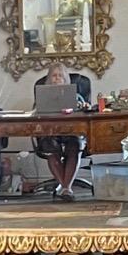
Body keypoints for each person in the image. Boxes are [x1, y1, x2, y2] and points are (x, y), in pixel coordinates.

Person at [33, 60, 93, 200]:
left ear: (66, 78)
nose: (57, 78)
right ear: (49, 78)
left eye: (60, 75)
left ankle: (66, 188)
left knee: (75, 145)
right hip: (50, 133)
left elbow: (85, 111)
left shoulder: (76, 96)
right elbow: (35, 114)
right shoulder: (42, 96)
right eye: (54, 75)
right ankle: (66, 188)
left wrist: (83, 106)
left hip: (72, 132)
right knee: (50, 147)